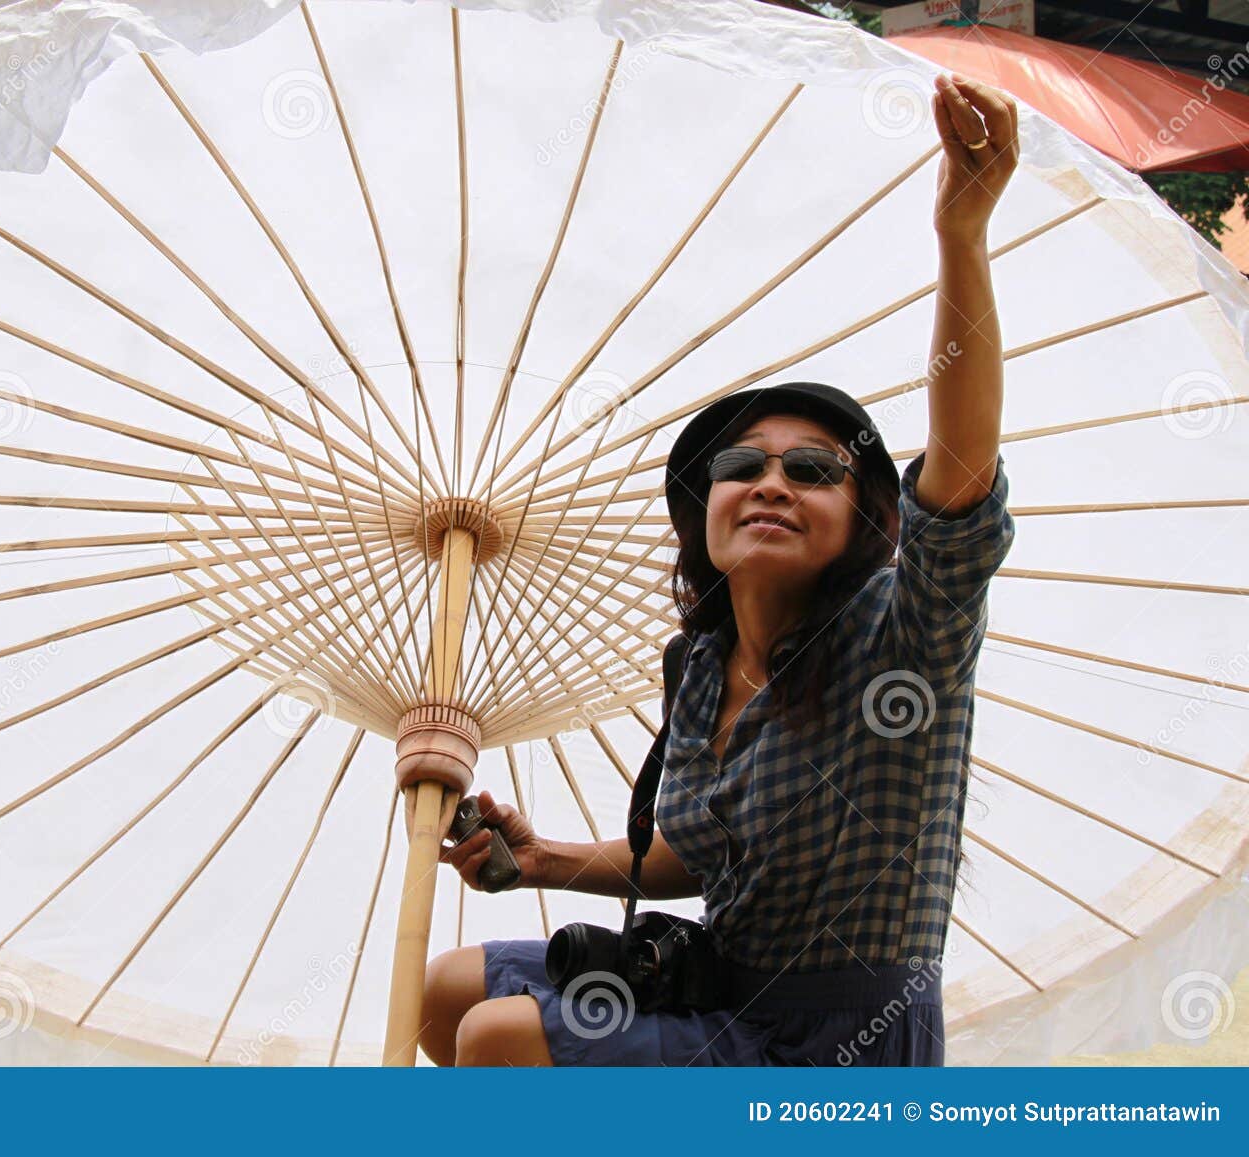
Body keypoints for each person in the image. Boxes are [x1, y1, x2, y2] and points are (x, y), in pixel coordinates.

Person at [417, 71, 1020, 1067]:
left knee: (502, 1037)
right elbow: (689, 855)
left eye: (813, 469)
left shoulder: (902, 632)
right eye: (743, 467)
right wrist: (540, 859)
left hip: (837, 1039)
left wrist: (960, 232)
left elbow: (958, 477)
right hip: (717, 983)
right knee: (446, 987)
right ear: (702, 520)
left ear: (864, 515)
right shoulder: (699, 665)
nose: (772, 481)